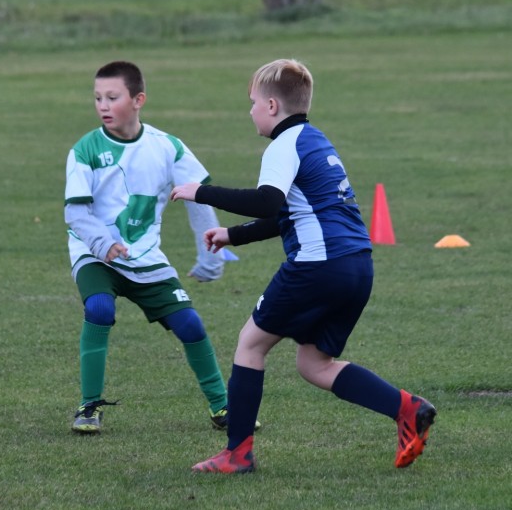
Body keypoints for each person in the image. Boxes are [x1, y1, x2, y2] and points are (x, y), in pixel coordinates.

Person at [171, 58, 436, 473]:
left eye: (253, 103)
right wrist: (232, 235)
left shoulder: (283, 145)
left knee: (250, 344)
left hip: (318, 265)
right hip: (357, 266)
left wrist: (200, 192)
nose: (250, 111)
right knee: (314, 364)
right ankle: (407, 408)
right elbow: (288, 214)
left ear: (272, 106)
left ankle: (237, 453)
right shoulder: (316, 140)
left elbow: (267, 202)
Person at [64, 60, 232, 434]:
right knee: (100, 308)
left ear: (138, 100)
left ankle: (222, 407)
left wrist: (209, 255)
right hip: (94, 253)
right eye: (97, 98)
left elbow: (198, 197)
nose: (103, 106)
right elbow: (76, 213)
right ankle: (89, 407)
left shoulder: (167, 147)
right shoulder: (85, 149)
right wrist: (102, 243)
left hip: (145, 256)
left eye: (112, 97)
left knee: (190, 324)